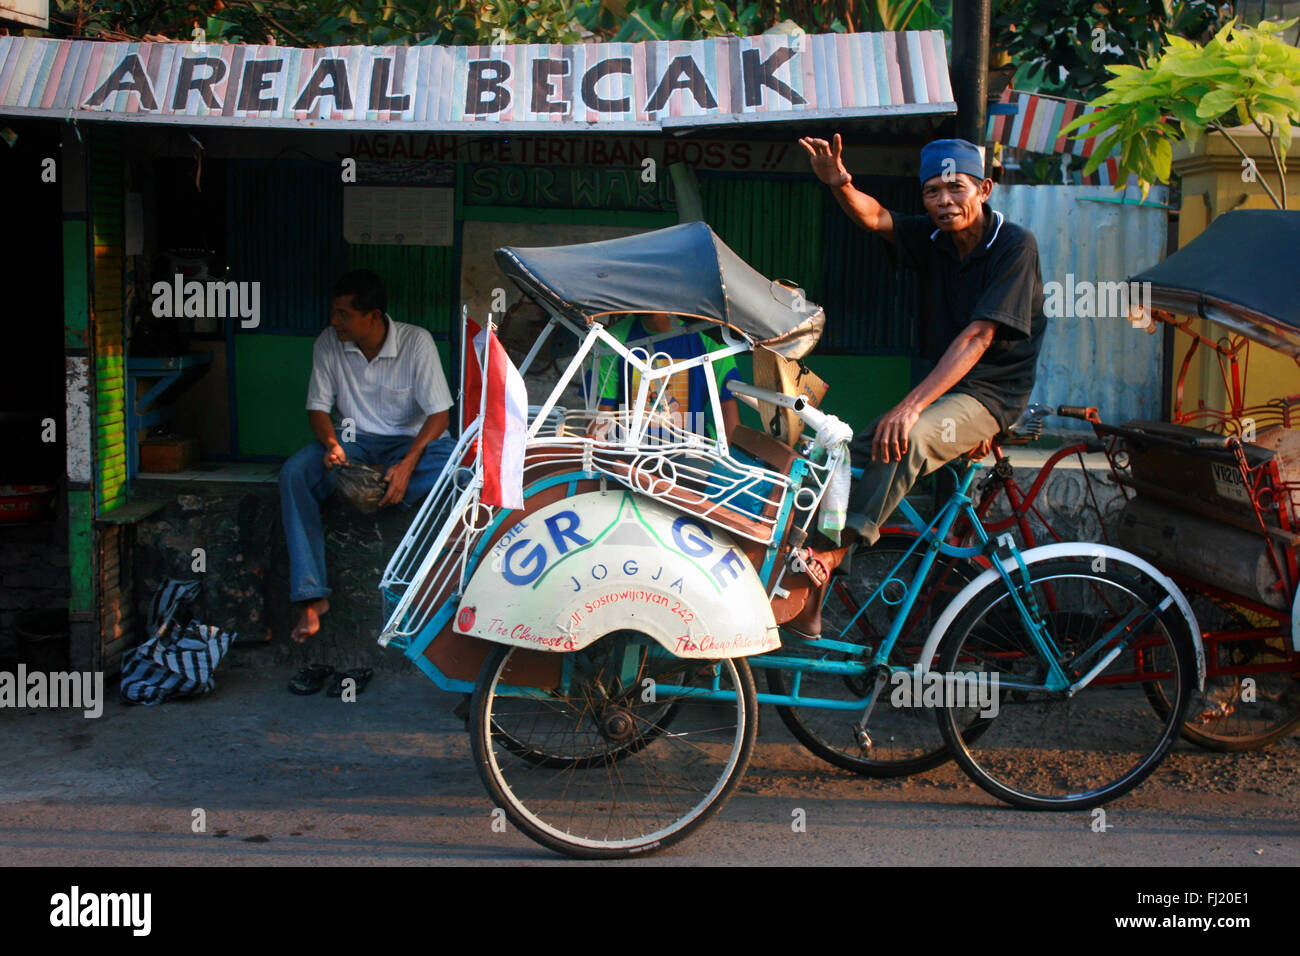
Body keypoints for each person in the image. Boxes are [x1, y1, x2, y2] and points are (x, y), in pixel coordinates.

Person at [787, 135, 1048, 638]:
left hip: (993, 393)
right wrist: (841, 182)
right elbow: (875, 218)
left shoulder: (1014, 245)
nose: (944, 201)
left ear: (985, 188)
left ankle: (835, 553)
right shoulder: (934, 240)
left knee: (907, 436)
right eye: (932, 191)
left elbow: (978, 336)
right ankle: (812, 581)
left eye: (956, 187)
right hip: (949, 389)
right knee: (845, 454)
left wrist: (910, 406)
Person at [279, 270, 454, 643]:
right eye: (334, 312)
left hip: (412, 445)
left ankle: (375, 482)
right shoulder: (328, 342)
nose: (334, 321)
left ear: (373, 316)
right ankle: (310, 597)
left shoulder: (416, 342)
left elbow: (440, 415)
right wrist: (331, 444)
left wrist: (407, 464)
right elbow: (317, 409)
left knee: (457, 463)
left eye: (343, 314)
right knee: (295, 473)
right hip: (353, 444)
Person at [590, 311, 741, 440]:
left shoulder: (710, 336)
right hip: (630, 449)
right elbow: (601, 413)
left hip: (693, 449)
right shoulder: (614, 339)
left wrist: (727, 464)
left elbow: (727, 404)